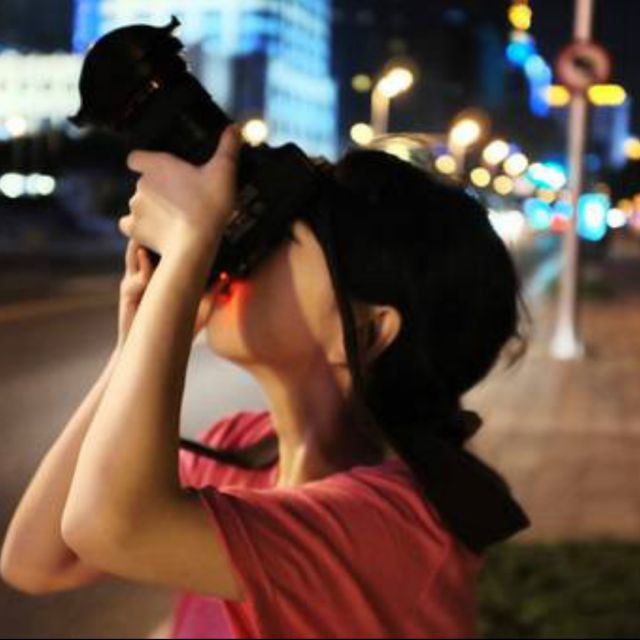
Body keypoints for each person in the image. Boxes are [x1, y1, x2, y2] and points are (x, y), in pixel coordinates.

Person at [1, 124, 529, 639]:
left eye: (280, 240)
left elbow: (108, 526)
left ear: (365, 331)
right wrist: (134, 342)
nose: (243, 258)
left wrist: (189, 248)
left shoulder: (397, 527)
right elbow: (38, 561)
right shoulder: (243, 448)